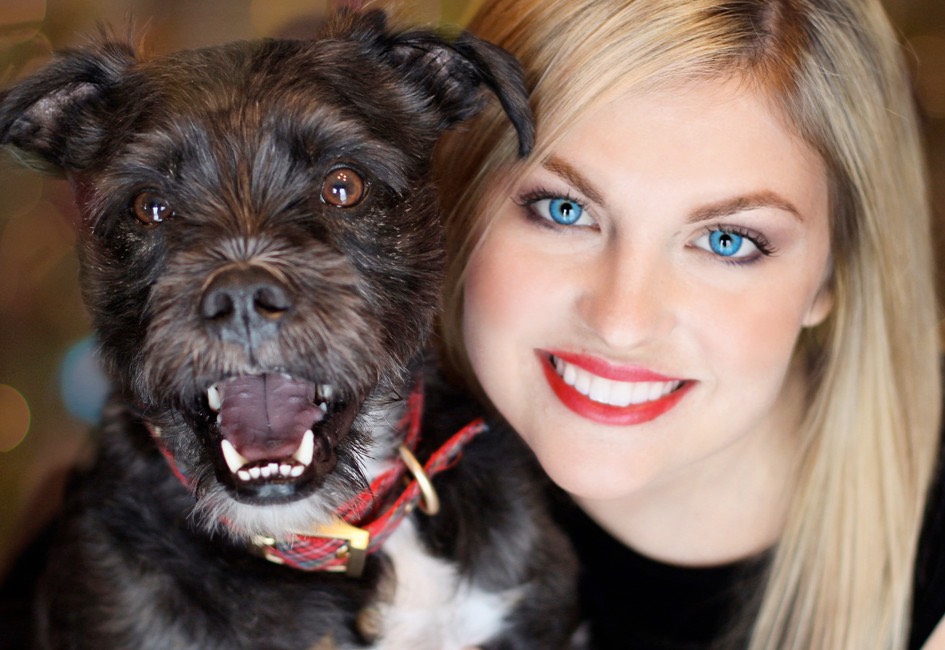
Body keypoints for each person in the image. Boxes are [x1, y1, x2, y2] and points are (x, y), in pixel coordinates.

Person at [432, 0, 943, 648]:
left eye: (727, 241)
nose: (621, 323)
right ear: (463, 200)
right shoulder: (331, 491)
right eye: (564, 209)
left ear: (831, 272)